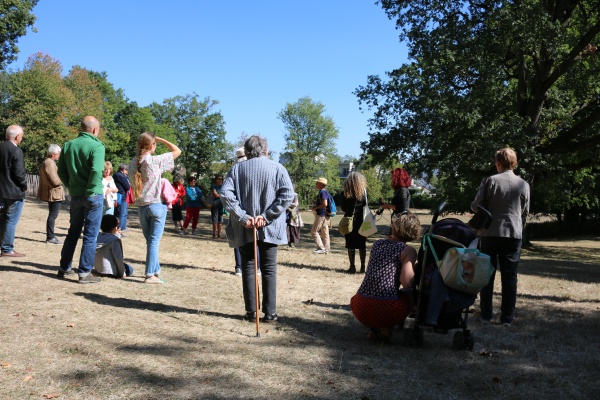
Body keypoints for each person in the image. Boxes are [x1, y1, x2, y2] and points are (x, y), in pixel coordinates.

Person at [221, 135, 294, 322]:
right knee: (268, 269)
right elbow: (287, 196)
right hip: (267, 226)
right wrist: (266, 216)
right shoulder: (278, 168)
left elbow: (226, 196)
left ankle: (252, 312)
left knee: (249, 267)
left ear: (246, 151)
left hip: (247, 227)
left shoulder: (236, 170)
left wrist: (245, 217)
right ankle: (270, 313)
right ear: (266, 150)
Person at [471, 147, 530, 326]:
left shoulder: (489, 181)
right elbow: (525, 211)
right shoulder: (524, 184)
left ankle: (486, 315)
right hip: (513, 233)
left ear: (498, 163)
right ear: (515, 163)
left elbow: (475, 206)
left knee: (487, 274)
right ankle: (507, 318)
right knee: (510, 276)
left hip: (490, 232)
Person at [350, 213, 421, 342]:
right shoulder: (408, 250)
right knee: (407, 295)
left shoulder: (377, 244)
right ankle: (386, 329)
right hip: (385, 310)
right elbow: (406, 282)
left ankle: (373, 330)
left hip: (360, 306)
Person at [57, 116, 105, 283]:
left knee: (73, 232)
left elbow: (61, 171)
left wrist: (71, 186)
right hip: (93, 195)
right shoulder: (97, 146)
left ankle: (64, 267)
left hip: (76, 194)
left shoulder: (68, 145)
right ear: (94, 130)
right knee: (90, 235)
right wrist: (91, 190)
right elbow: (96, 170)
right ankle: (84, 273)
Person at [130, 132, 181, 284]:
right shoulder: (155, 161)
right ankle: (150, 274)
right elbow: (177, 151)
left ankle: (155, 271)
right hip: (156, 205)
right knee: (154, 242)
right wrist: (162, 139)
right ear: (151, 145)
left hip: (141, 207)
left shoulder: (133, 163)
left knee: (150, 241)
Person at [0, 125, 27, 257]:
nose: (21, 138)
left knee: (2, 219)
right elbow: (19, 173)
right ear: (17, 136)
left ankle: (3, 246)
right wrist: (24, 186)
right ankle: (6, 248)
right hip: (14, 192)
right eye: (21, 136)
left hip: (1, 191)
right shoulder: (16, 151)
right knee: (11, 220)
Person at [37, 143, 64, 245]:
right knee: (53, 215)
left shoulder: (48, 162)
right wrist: (63, 181)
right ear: (53, 154)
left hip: (53, 192)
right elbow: (54, 180)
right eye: (58, 153)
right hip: (54, 193)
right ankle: (51, 237)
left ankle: (51, 236)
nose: (59, 155)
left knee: (52, 215)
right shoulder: (49, 163)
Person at [341, 172, 368, 273]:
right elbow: (365, 206)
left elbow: (343, 208)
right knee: (362, 245)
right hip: (361, 221)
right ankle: (363, 267)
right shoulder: (364, 192)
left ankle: (352, 267)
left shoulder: (345, 193)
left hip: (349, 221)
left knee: (350, 244)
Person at [379, 168, 412, 232]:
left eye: (393, 176)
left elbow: (402, 208)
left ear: (398, 177)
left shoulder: (403, 190)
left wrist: (388, 205)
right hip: (397, 219)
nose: (392, 178)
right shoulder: (401, 190)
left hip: (400, 220)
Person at [310, 177, 331, 254]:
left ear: (321, 184)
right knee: (325, 232)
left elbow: (324, 204)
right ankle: (326, 249)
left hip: (321, 214)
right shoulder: (324, 192)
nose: (316, 184)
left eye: (317, 182)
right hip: (325, 214)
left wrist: (315, 207)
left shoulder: (322, 192)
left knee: (314, 231)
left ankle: (321, 247)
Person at [113, 164, 130, 232]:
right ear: (123, 170)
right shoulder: (120, 175)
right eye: (127, 170)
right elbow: (127, 186)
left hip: (121, 195)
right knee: (121, 213)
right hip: (121, 196)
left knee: (123, 213)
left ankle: (122, 227)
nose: (127, 172)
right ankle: (119, 229)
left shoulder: (117, 175)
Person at [210, 174, 226, 239]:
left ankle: (219, 234)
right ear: (216, 179)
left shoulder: (223, 186)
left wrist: (221, 195)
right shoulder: (213, 186)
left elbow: (226, 194)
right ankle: (214, 234)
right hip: (215, 204)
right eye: (219, 179)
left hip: (221, 204)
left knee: (220, 220)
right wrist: (222, 195)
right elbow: (216, 195)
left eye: (221, 179)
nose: (220, 180)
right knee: (215, 219)